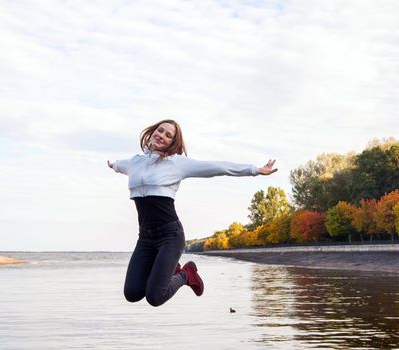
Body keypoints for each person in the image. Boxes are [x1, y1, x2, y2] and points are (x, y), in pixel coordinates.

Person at [107, 119, 277, 307]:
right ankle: (167, 270)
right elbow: (120, 165)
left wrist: (255, 170)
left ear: (173, 142)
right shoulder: (134, 162)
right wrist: (113, 165)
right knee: (132, 293)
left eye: (168, 135)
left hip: (170, 236)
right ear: (152, 131)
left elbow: (218, 167)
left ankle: (186, 274)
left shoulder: (177, 164)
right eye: (160, 130)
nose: (161, 135)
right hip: (146, 237)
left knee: (155, 297)